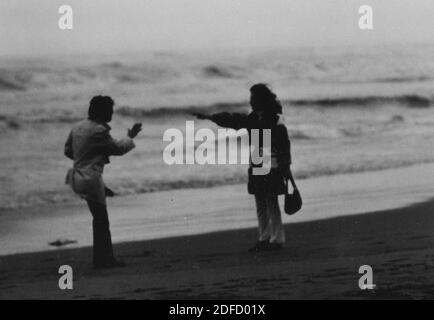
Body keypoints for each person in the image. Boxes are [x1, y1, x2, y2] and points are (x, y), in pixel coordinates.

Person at [194, 84, 292, 251]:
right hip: (257, 158)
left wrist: (285, 165)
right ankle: (265, 238)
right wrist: (211, 117)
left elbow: (284, 144)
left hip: (270, 160)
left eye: (253, 98)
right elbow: (233, 120)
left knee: (270, 200)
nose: (251, 101)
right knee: (261, 201)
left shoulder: (274, 118)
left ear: (261, 99)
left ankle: (276, 239)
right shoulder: (255, 117)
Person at [64, 96, 142, 268]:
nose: (112, 113)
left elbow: (68, 150)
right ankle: (104, 260)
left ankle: (100, 258)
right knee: (101, 220)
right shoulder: (99, 130)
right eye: (110, 110)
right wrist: (130, 136)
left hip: (76, 177)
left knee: (98, 217)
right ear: (103, 111)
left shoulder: (77, 126)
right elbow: (118, 149)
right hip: (90, 178)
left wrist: (85, 158)